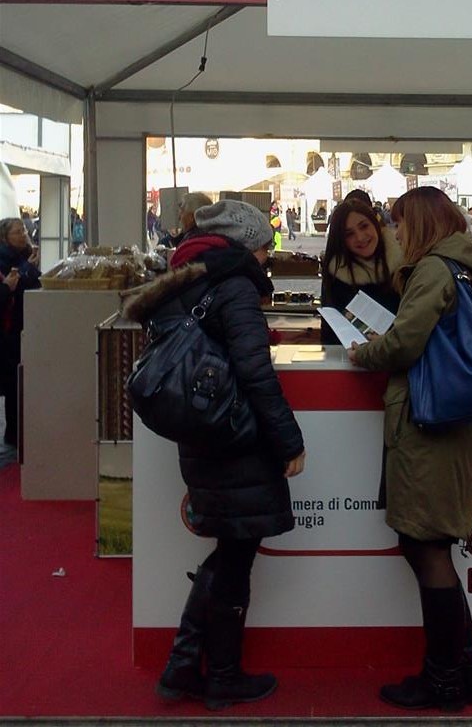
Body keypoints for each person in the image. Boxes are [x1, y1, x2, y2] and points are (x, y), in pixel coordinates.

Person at [122, 200, 305, 710]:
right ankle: (220, 675)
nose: (267, 256)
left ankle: (184, 666)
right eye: (264, 247)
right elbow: (254, 371)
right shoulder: (235, 284)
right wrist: (289, 440)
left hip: (203, 431)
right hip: (236, 436)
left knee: (230, 550)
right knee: (235, 556)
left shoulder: (188, 277)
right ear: (246, 245)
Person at [348, 187, 472, 711]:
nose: (395, 231)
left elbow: (405, 342)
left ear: (422, 223)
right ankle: (464, 672)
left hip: (430, 421)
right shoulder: (461, 266)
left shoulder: (432, 270)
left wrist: (365, 352)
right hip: (448, 418)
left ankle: (444, 681)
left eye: (400, 222)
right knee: (428, 544)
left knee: (426, 546)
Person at [319, 198, 403, 345]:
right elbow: (330, 333)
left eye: (364, 226)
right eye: (349, 234)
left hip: (399, 355)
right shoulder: (336, 274)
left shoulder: (404, 263)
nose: (360, 237)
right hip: (351, 355)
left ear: (375, 224)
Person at [0, 217, 42, 446]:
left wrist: (31, 268)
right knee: (13, 383)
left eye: (24, 230)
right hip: (9, 330)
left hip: (27, 324)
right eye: (17, 231)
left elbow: (34, 285)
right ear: (5, 237)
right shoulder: (4, 260)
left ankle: (20, 432)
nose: (23, 234)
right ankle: (14, 434)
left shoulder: (26, 256)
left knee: (22, 381)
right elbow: (13, 287)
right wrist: (27, 269)